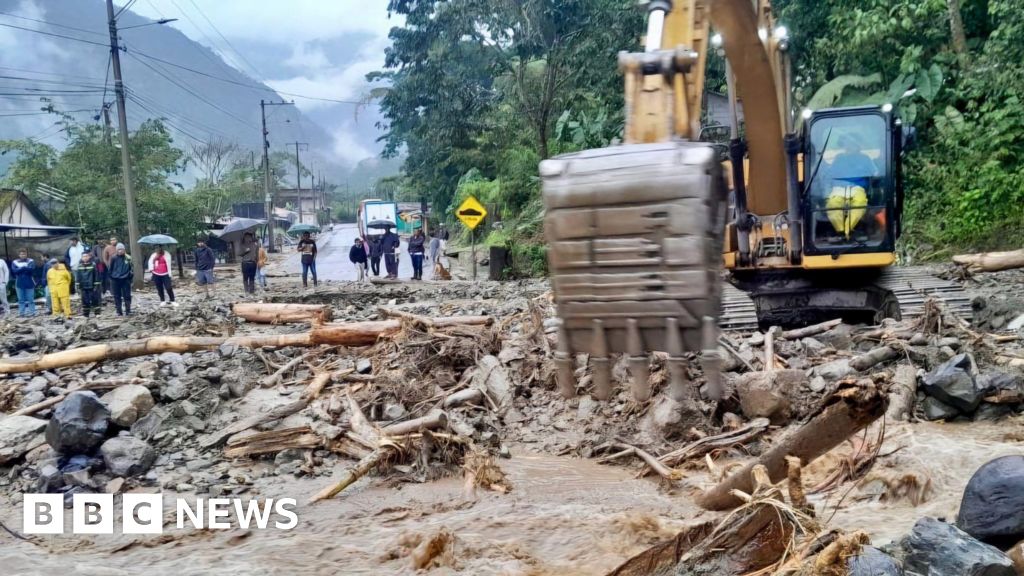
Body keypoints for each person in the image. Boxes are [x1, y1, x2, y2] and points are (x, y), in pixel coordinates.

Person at [109, 243, 133, 316]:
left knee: (127, 295)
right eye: (118, 249)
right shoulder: (113, 258)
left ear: (124, 250)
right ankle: (119, 311)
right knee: (117, 296)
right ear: (116, 250)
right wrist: (112, 277)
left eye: (121, 249)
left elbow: (131, 268)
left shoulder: (128, 258)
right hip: (115, 279)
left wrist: (130, 277)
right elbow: (111, 268)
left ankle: (128, 310)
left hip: (125, 279)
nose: (120, 251)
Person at [75, 252, 101, 317]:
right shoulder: (79, 266)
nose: (85, 257)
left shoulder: (93, 265)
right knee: (85, 301)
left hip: (92, 286)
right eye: (84, 256)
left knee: (95, 299)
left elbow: (96, 275)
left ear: (89, 257)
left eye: (86, 256)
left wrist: (96, 285)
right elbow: (78, 277)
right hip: (83, 286)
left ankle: (97, 313)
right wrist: (77, 286)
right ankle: (86, 314)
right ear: (81, 258)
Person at [11, 250, 37, 317]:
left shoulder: (31, 261)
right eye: (21, 254)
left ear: (26, 254)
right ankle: (21, 313)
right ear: (19, 255)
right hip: (19, 283)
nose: (23, 255)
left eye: (24, 254)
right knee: (21, 300)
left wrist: (20, 269)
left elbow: (31, 269)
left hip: (29, 282)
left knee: (30, 299)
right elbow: (14, 271)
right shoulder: (15, 262)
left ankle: (32, 313)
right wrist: (24, 268)